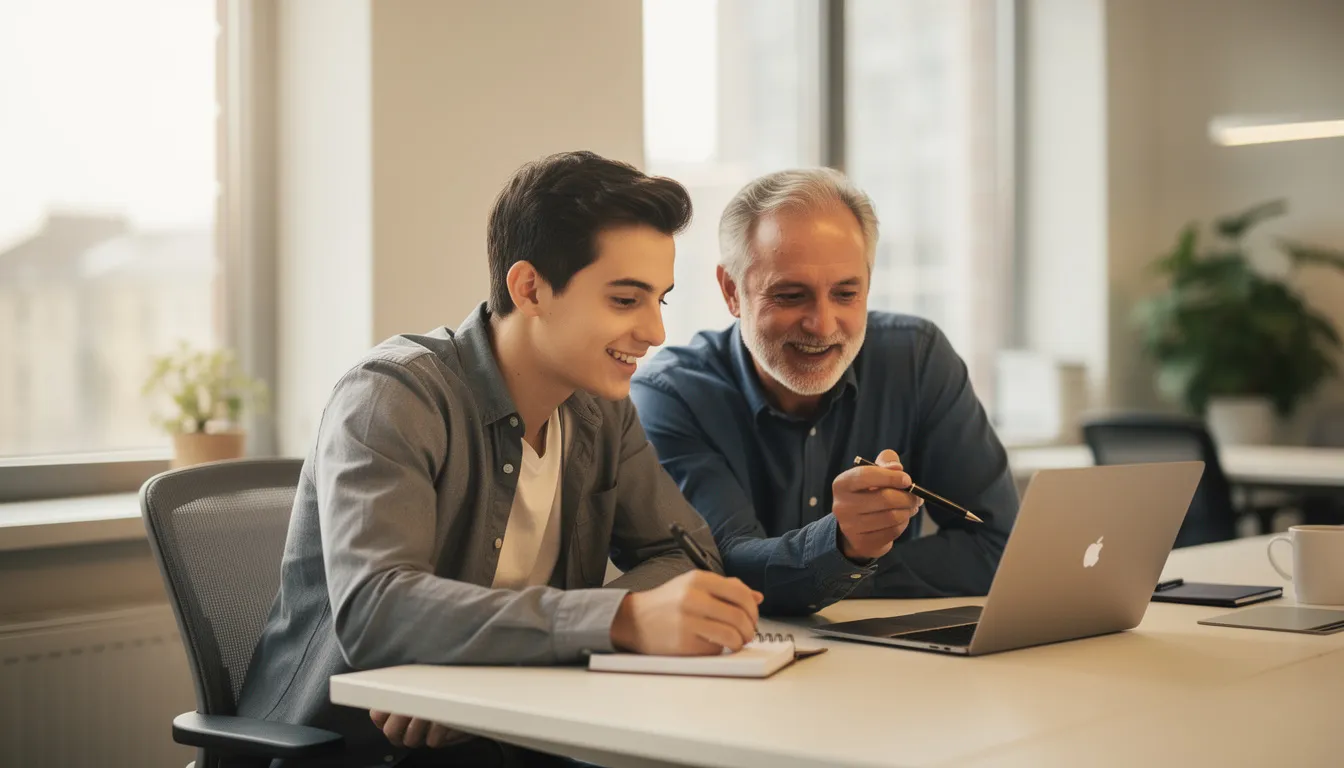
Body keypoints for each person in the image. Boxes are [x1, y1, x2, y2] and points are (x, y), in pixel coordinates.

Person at [237, 151, 763, 767]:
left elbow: (686, 553)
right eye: (625, 300)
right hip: (347, 750)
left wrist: (474, 665)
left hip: (503, 732)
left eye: (661, 301)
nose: (654, 331)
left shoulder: (599, 408)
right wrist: (620, 618)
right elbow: (377, 608)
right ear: (529, 287)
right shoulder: (393, 395)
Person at [629, 168, 1019, 616]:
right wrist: (844, 550)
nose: (823, 324)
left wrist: (849, 563)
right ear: (732, 291)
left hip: (891, 670)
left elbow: (997, 545)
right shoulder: (670, 396)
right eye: (791, 295)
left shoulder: (916, 360)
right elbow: (725, 564)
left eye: (846, 294)